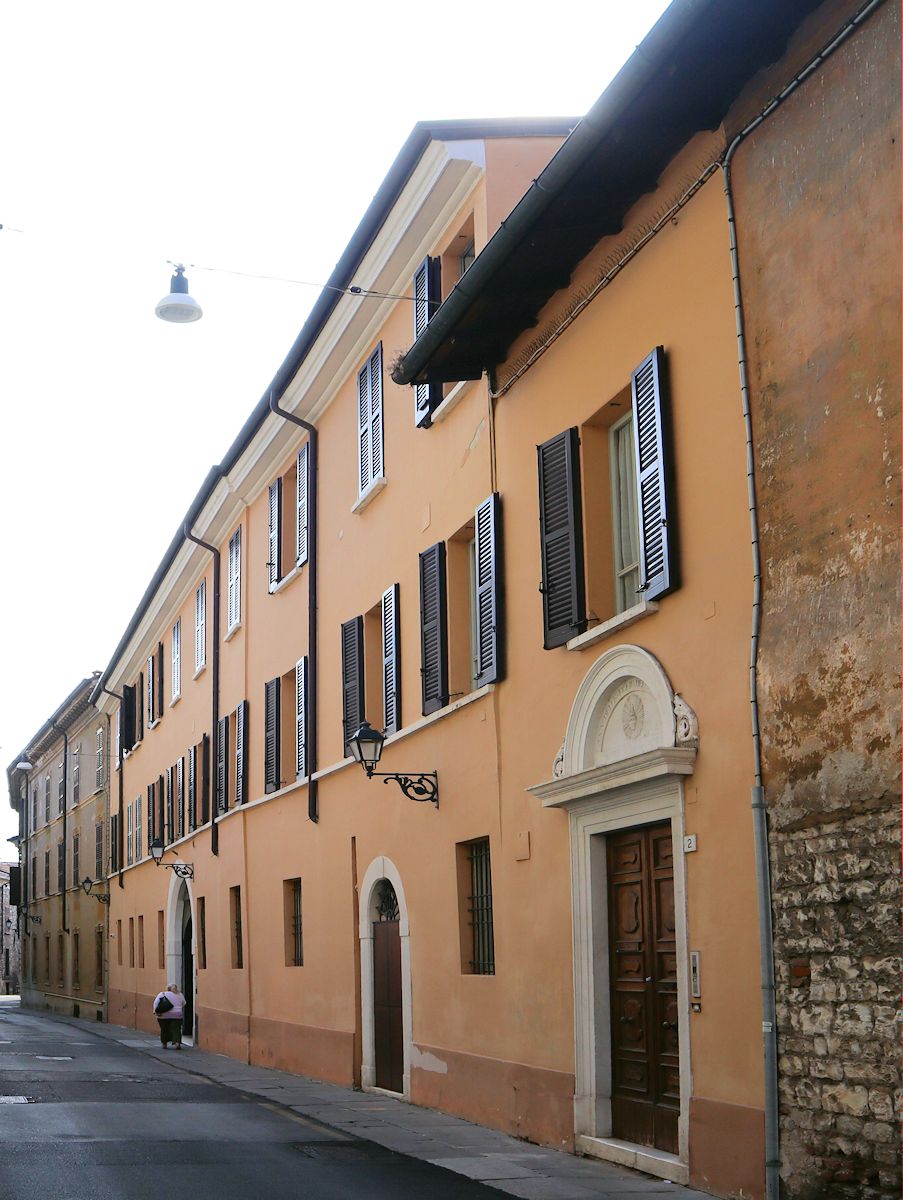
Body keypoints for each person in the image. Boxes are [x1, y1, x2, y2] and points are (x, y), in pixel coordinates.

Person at [152, 983, 185, 1049]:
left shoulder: (162, 994)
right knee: (176, 1029)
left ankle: (164, 1044)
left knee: (164, 1029)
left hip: (164, 1015)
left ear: (168, 988)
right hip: (177, 1015)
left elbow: (156, 1003)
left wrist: (155, 1011)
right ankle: (177, 1043)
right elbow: (184, 1003)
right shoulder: (180, 995)